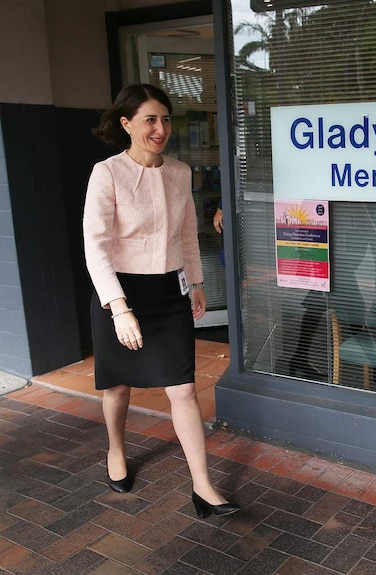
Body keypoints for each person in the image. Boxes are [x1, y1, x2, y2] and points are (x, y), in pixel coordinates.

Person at [84, 84, 239, 518]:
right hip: (119, 292)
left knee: (184, 388)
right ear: (127, 123)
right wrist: (118, 307)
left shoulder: (180, 172)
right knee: (117, 384)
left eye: (165, 119)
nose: (160, 128)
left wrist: (198, 283)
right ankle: (116, 450)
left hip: (169, 290)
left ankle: (203, 487)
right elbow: (94, 246)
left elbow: (187, 234)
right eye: (150, 119)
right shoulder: (107, 173)